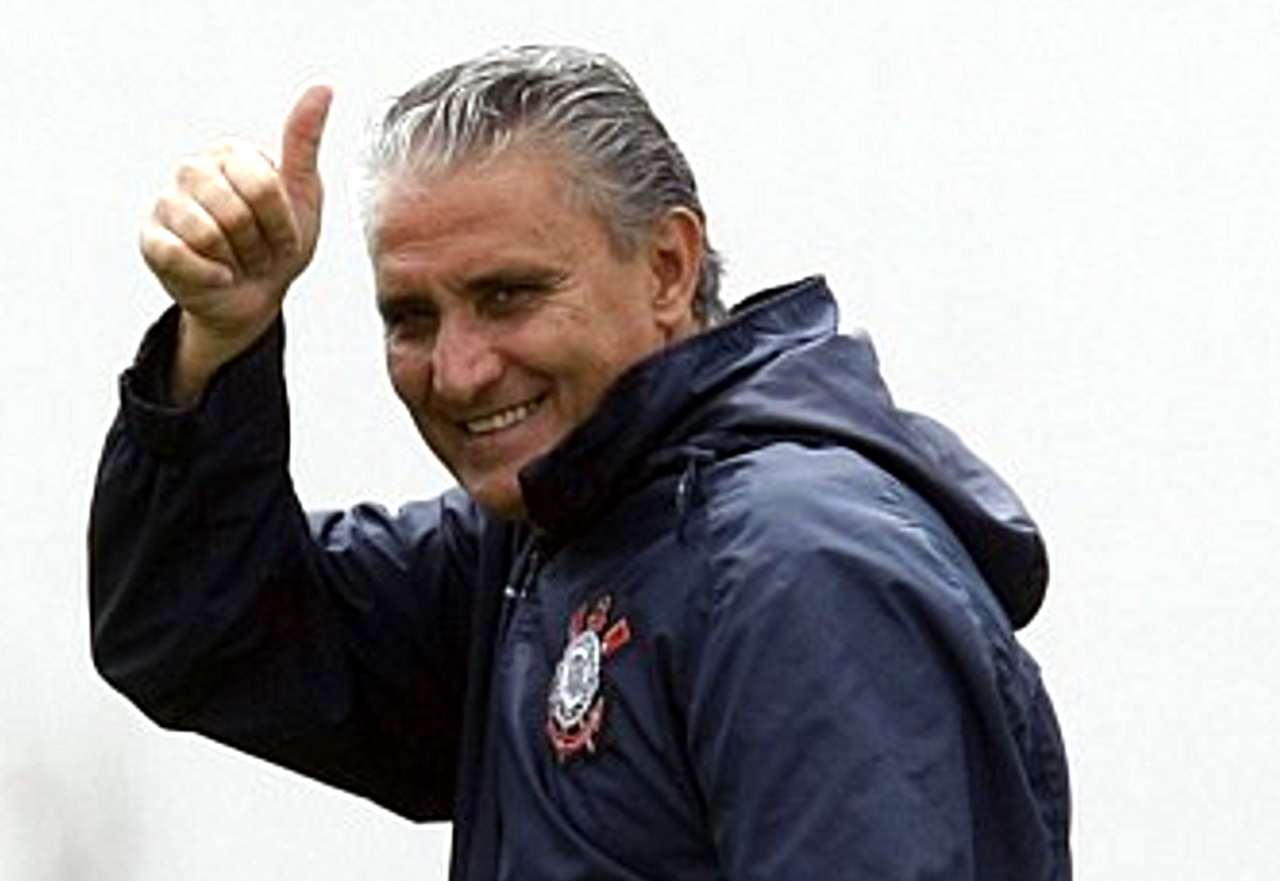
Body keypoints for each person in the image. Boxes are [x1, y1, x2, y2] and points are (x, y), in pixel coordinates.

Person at [90, 45, 1071, 880]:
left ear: (667, 267)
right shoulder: (545, 542)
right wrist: (219, 340)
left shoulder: (792, 566)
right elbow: (200, 633)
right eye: (411, 317)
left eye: (507, 296)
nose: (458, 370)